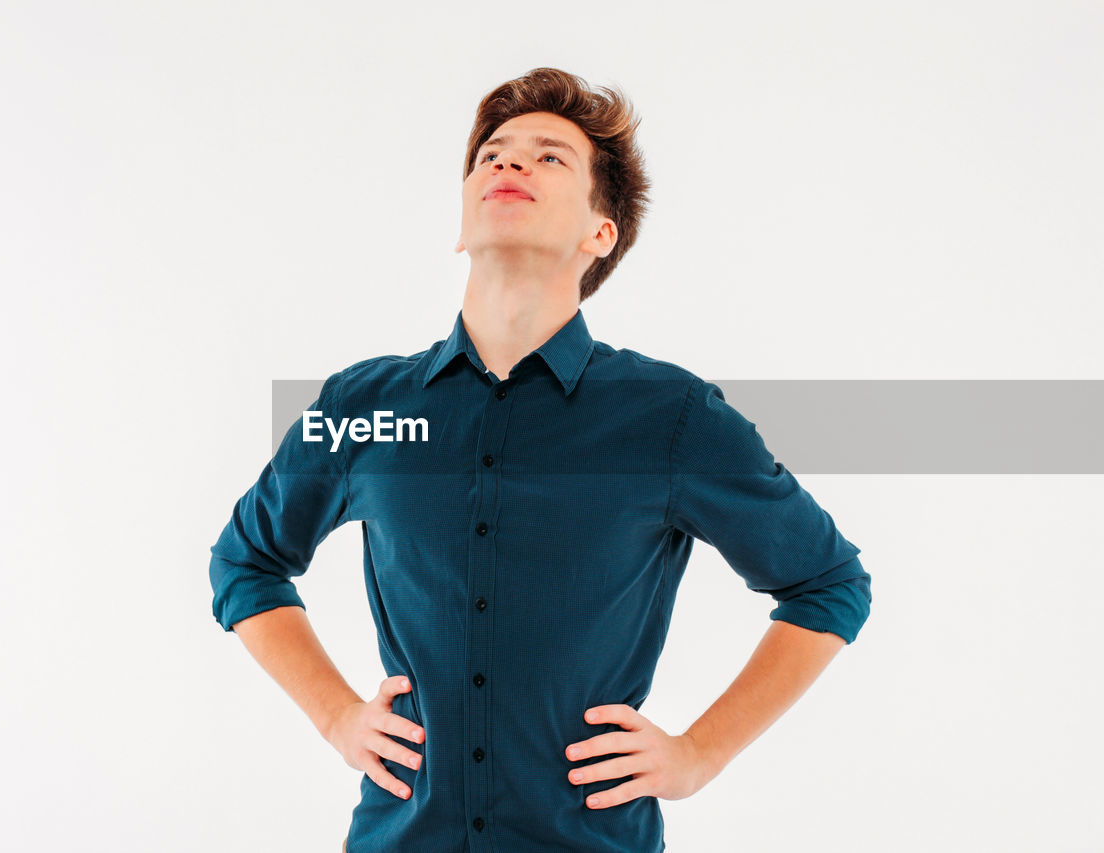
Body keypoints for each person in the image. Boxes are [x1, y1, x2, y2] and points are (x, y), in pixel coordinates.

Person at [208, 67, 872, 853]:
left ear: (601, 233)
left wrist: (699, 753)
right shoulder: (362, 406)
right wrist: (335, 715)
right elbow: (243, 561)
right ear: (462, 223)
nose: (508, 163)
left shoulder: (674, 418)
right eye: (492, 153)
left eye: (550, 157)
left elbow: (829, 583)